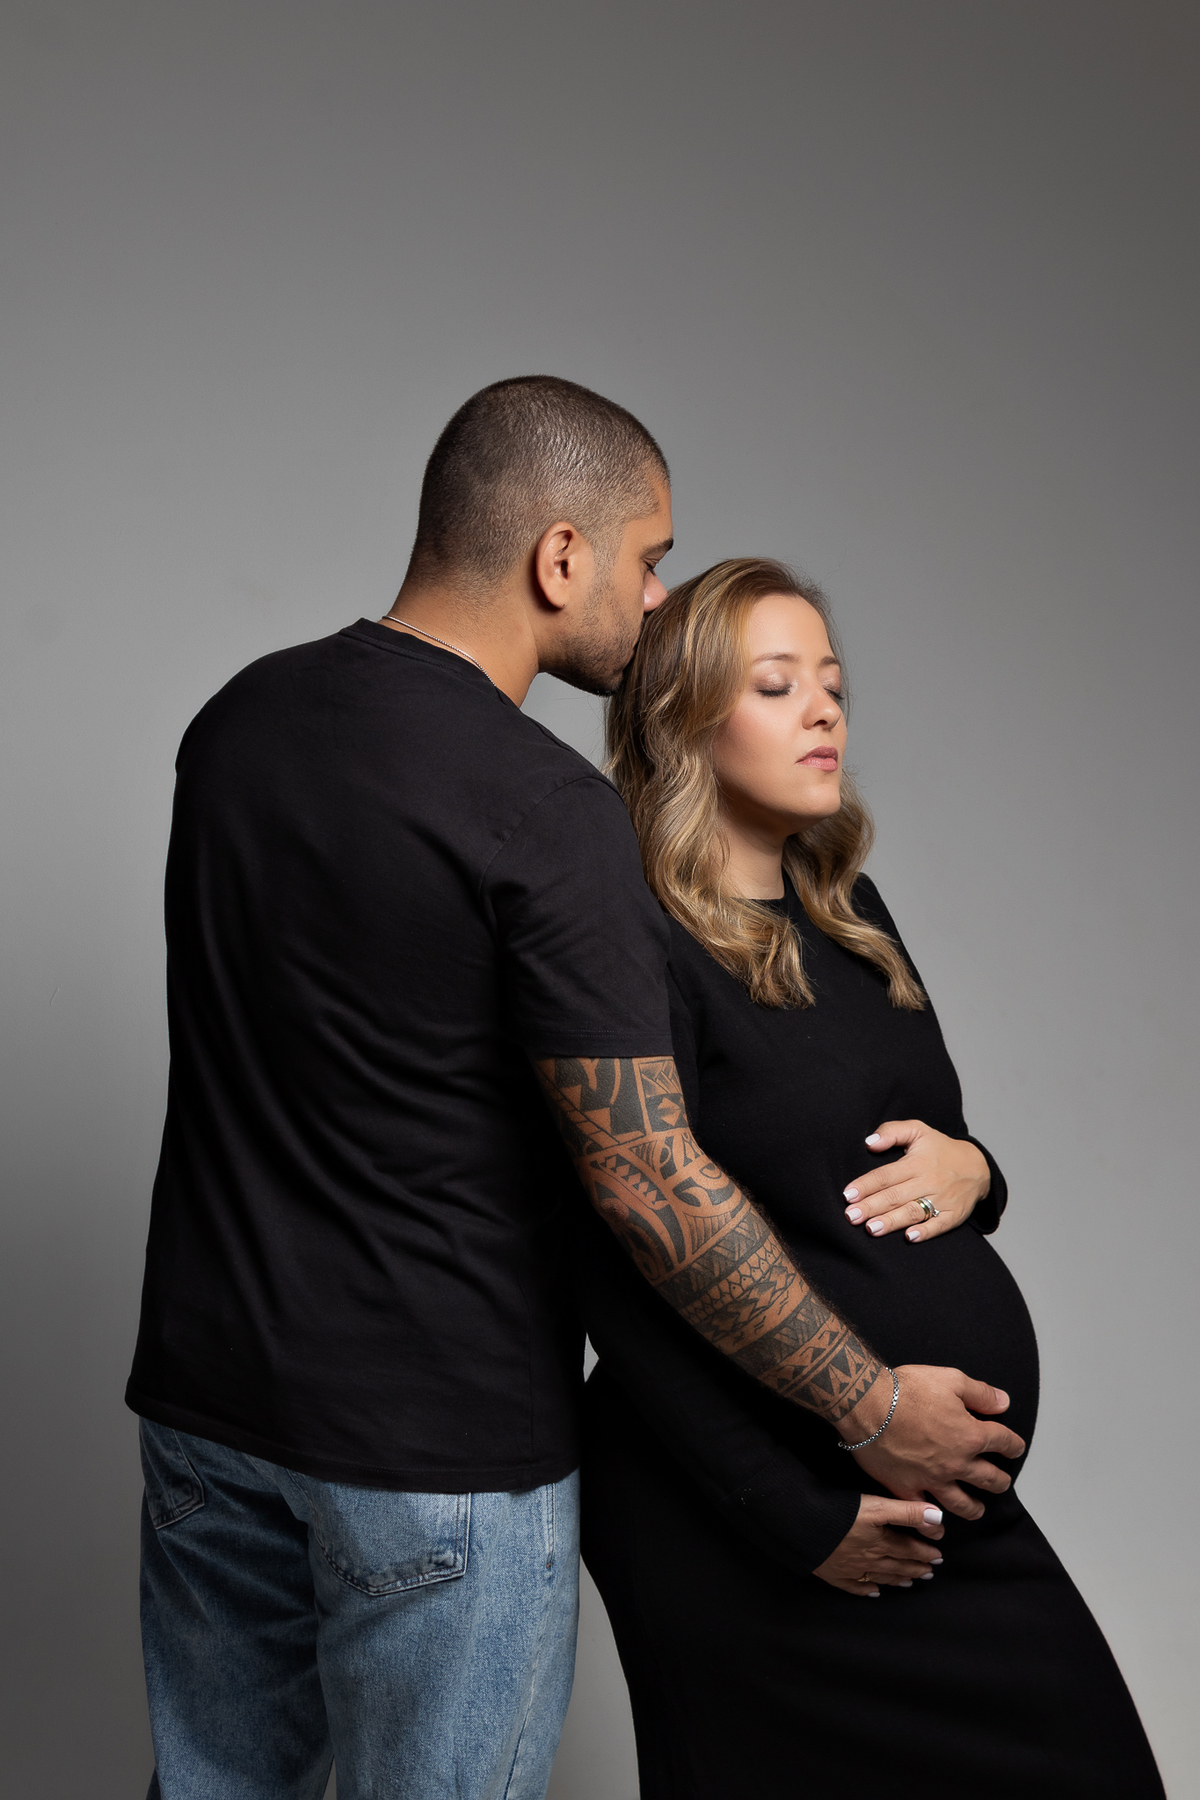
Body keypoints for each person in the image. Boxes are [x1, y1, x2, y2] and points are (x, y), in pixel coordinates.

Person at [127, 384, 1024, 1800]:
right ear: (559, 560)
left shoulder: (241, 722)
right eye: (648, 558)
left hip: (205, 1415)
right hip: (438, 1457)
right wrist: (865, 1405)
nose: (658, 597)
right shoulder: (546, 812)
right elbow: (650, 1184)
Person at [578, 555, 1165, 1799]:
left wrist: (981, 1170)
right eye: (779, 685)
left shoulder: (843, 906)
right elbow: (612, 1268)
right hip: (757, 1525)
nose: (826, 712)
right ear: (683, 716)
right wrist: (800, 1518)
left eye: (832, 685)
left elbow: (925, 1149)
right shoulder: (631, 944)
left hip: (930, 1509)